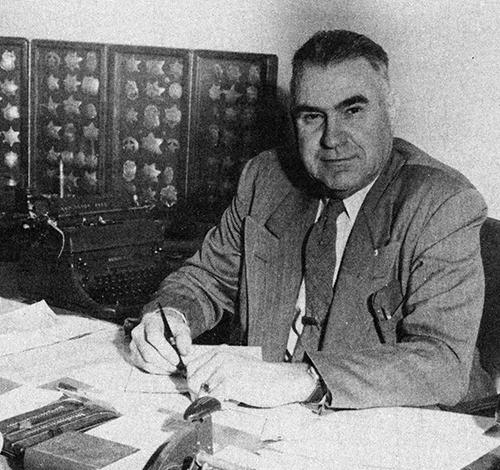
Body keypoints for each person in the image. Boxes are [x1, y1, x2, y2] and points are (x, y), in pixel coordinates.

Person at [130, 30, 495, 409]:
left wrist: (306, 379)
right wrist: (171, 315)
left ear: (390, 108)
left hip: (414, 432)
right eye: (312, 117)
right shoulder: (266, 178)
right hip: (272, 427)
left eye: (352, 111)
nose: (332, 138)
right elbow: (204, 280)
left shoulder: (442, 203)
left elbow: (442, 362)